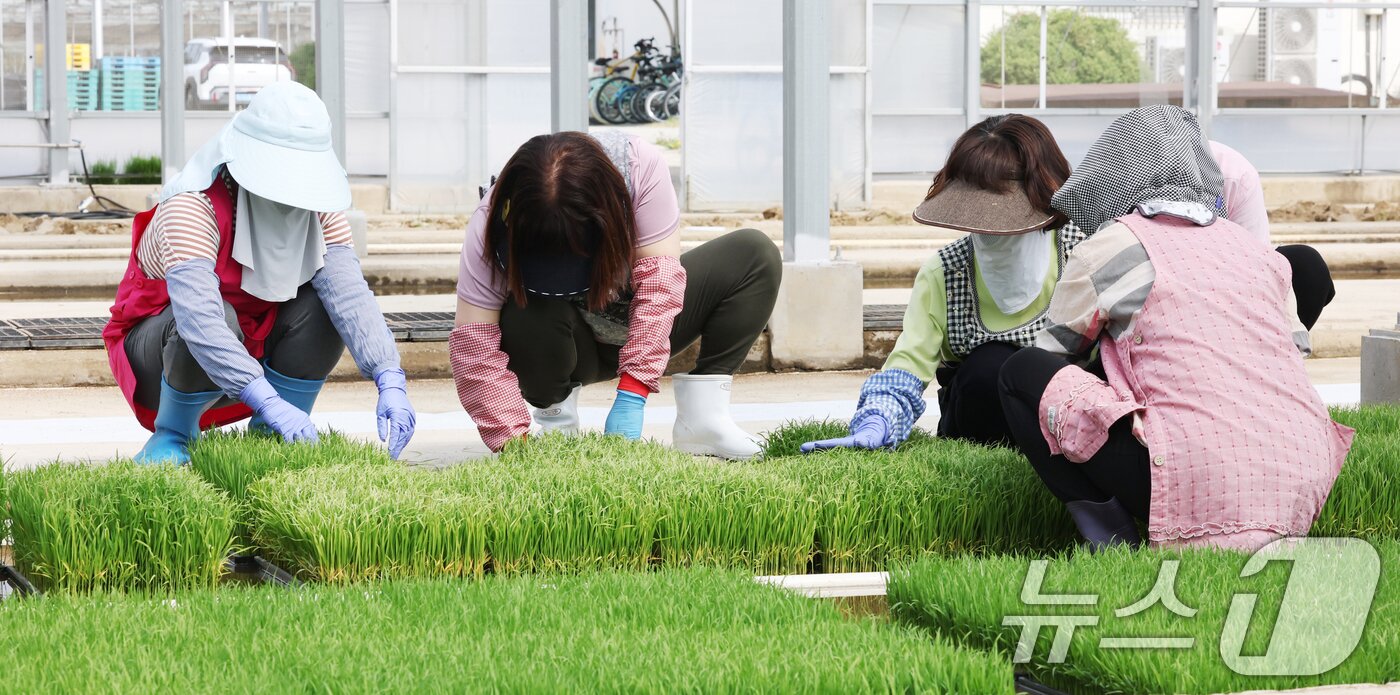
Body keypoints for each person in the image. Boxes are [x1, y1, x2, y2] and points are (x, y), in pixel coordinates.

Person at [998, 105, 1353, 551]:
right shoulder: (1253, 250)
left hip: (1193, 475)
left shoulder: (1108, 247)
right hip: (1302, 474)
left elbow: (1058, 354)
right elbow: (1290, 351)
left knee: (1022, 372)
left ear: (1110, 178)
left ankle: (1111, 537)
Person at [104, 82, 417, 464]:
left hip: (255, 342)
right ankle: (174, 437)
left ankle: (273, 437)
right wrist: (265, 398)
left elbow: (349, 295)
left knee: (324, 307)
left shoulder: (319, 212)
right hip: (168, 358)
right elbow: (200, 319)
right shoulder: (192, 207)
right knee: (220, 315)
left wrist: (389, 376)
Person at [449, 130, 780, 459]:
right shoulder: (491, 220)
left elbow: (658, 286)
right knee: (522, 310)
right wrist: (512, 442)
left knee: (753, 253)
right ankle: (556, 421)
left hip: (638, 324)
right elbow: (474, 345)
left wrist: (633, 393)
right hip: (569, 347)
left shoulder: (639, 168)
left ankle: (704, 420)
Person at [801, 114, 1082, 453]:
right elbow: (909, 361)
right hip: (980, 420)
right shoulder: (945, 273)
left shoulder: (1083, 255)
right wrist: (878, 419)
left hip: (1072, 419)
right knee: (990, 365)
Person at [1210, 140, 1335, 331]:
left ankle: (1270, 353)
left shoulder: (1233, 171)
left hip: (1222, 279)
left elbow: (1255, 260)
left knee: (1306, 265)